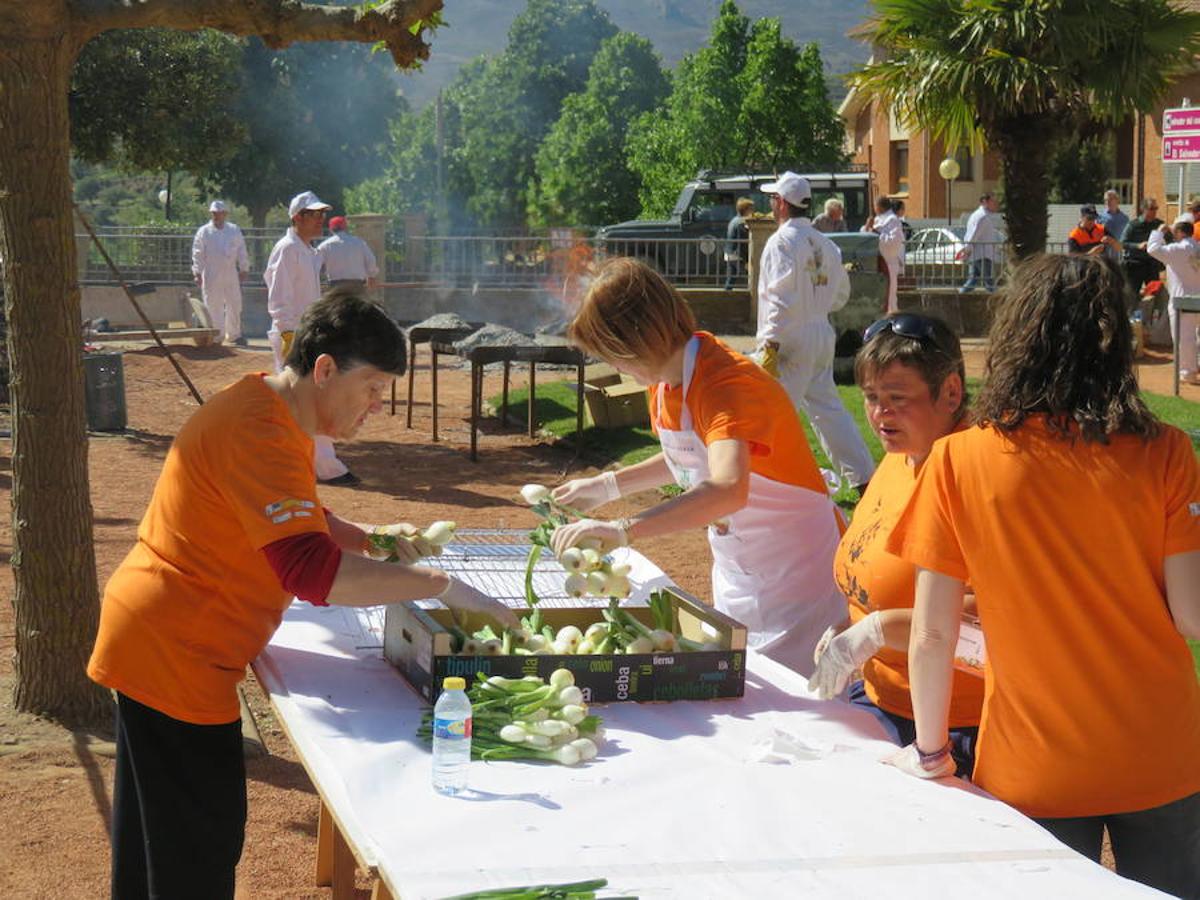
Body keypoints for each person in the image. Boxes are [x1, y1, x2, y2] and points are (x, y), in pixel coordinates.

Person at [87, 291, 518, 900]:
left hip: (160, 640)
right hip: (176, 653)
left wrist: (372, 540)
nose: (376, 406)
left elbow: (298, 518)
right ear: (323, 369)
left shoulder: (273, 412)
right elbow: (313, 572)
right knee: (195, 849)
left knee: (157, 845)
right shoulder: (259, 429)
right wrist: (444, 587)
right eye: (371, 388)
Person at [885, 254, 1200, 897]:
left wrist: (931, 753)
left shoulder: (957, 459)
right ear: (1116, 341)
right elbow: (1192, 614)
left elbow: (933, 635)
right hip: (1162, 750)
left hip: (1034, 762)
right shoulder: (1166, 451)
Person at [547, 257, 846, 676]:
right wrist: (608, 485)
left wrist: (624, 530)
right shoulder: (665, 383)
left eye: (614, 355)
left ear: (638, 340)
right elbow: (687, 459)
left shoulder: (726, 384)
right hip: (742, 570)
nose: (615, 368)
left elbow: (727, 488)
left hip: (799, 576)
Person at [808, 312, 982, 776]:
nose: (880, 413)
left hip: (955, 729)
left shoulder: (974, 472)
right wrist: (851, 624)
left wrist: (879, 629)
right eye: (871, 397)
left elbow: (990, 618)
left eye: (897, 398)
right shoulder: (903, 454)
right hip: (879, 700)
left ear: (950, 392)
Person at [755, 172, 876, 492]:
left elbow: (780, 296)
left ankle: (768, 483)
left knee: (772, 414)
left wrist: (770, 343)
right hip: (821, 331)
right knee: (828, 410)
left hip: (789, 337)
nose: (770, 204)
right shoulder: (827, 243)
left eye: (772, 199)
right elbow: (840, 295)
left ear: (781, 203)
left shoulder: (781, 242)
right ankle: (865, 479)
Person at [265, 190, 355, 486]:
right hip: (293, 334)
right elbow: (278, 295)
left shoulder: (307, 250)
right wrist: (288, 332)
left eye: (322, 215)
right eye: (314, 215)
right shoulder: (288, 249)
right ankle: (325, 466)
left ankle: (296, 462)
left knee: (301, 399)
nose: (320, 220)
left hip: (306, 332)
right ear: (297, 218)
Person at [1147, 217, 1200, 385]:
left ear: (1179, 232)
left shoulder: (1178, 249)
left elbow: (1153, 249)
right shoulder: (1197, 247)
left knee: (1184, 338)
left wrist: (1159, 232)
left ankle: (1188, 372)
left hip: (1182, 299)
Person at [191, 200, 249, 346]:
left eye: (219, 213)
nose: (216, 216)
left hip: (230, 273)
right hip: (211, 273)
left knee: (234, 304)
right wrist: (197, 272)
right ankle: (217, 336)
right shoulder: (204, 232)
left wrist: (244, 268)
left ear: (225, 214)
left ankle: (234, 335)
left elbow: (241, 250)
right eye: (214, 213)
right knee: (213, 305)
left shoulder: (234, 230)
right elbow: (198, 253)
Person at [863, 196, 905, 313]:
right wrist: (867, 227)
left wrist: (875, 233)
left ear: (878, 207)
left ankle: (890, 320)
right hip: (873, 262)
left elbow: (893, 242)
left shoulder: (893, 220)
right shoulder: (876, 219)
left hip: (887, 262)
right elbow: (864, 237)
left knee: (889, 295)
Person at [318, 215, 380, 291]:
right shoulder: (359, 242)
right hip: (357, 285)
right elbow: (371, 260)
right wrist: (371, 276)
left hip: (335, 286)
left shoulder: (325, 245)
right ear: (345, 227)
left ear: (331, 229)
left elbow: (316, 265)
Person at [1119, 197, 1165, 296]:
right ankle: (1132, 311)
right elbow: (1122, 243)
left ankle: (1152, 312)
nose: (1155, 211)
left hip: (1152, 265)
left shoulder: (1159, 224)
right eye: (1152, 208)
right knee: (1132, 295)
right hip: (1135, 265)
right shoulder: (1133, 225)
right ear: (1143, 209)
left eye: (1156, 208)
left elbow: (1169, 241)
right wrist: (1137, 246)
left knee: (1154, 294)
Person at [958, 192, 1000, 293]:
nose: (995, 204)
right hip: (983, 254)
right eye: (992, 201)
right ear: (985, 202)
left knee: (973, 279)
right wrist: (967, 250)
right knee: (988, 281)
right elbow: (974, 235)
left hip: (978, 253)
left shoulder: (978, 215)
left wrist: (967, 249)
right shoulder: (983, 217)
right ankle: (998, 300)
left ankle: (961, 295)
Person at [722, 198, 754, 290]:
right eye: (751, 208)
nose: (752, 211)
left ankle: (726, 296)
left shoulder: (734, 220)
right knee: (750, 276)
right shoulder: (742, 222)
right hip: (737, 255)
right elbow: (742, 242)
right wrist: (747, 260)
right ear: (746, 209)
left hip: (729, 253)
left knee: (731, 278)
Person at [1097, 189, 1129, 262]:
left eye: (1110, 199)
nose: (1107, 202)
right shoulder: (1099, 218)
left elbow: (1126, 239)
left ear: (1117, 200)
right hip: (1103, 258)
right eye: (1105, 200)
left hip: (1119, 258)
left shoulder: (1125, 219)